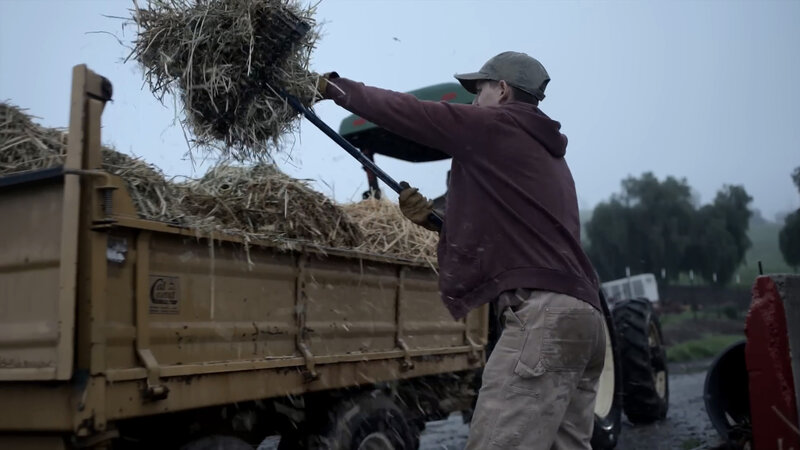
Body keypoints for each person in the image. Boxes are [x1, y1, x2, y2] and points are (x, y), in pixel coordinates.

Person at [317, 51, 606, 449]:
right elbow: (512, 232)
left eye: (479, 90)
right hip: (586, 320)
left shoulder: (496, 124)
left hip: (543, 320)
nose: (474, 101)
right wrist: (435, 221)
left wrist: (334, 87)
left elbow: (411, 112)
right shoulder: (549, 156)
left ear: (502, 90)